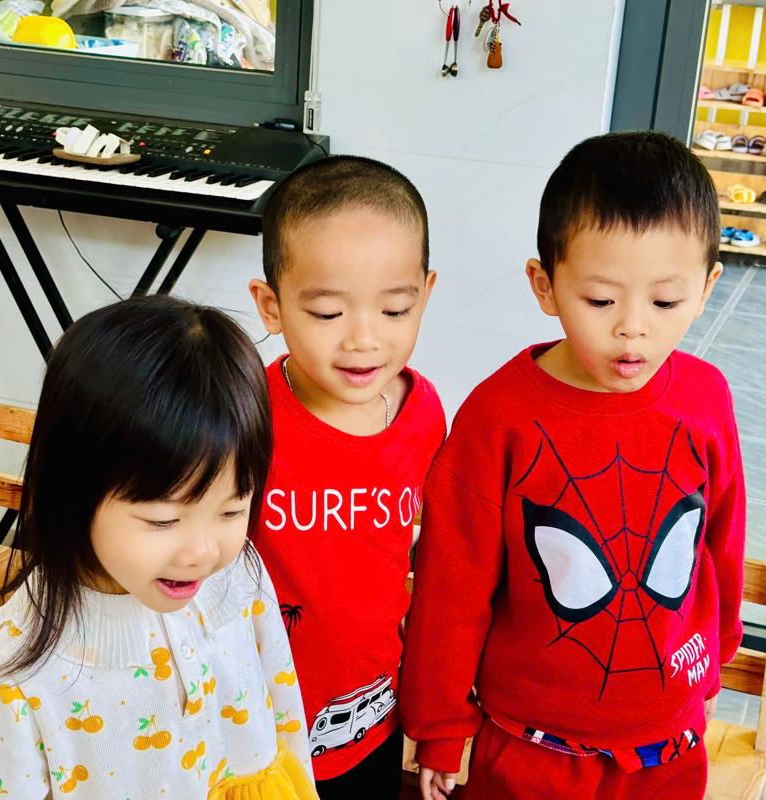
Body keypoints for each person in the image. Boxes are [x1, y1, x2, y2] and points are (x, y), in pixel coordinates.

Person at [400, 131, 744, 800]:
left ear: (706, 288)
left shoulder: (706, 397)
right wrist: (439, 726)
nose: (632, 328)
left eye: (665, 302)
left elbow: (721, 539)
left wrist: (717, 653)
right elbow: (451, 588)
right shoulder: (498, 417)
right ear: (545, 285)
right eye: (600, 300)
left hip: (670, 744)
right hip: (528, 748)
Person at [0, 295, 315, 800]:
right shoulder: (31, 660)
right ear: (74, 495)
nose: (202, 552)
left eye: (231, 511)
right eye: (163, 520)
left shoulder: (238, 574)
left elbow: (283, 707)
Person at [249, 155, 445, 798]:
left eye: (395, 311)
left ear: (425, 294)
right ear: (272, 306)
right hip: (249, 720)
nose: (364, 340)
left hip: (369, 716)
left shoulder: (423, 413)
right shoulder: (244, 414)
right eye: (329, 314)